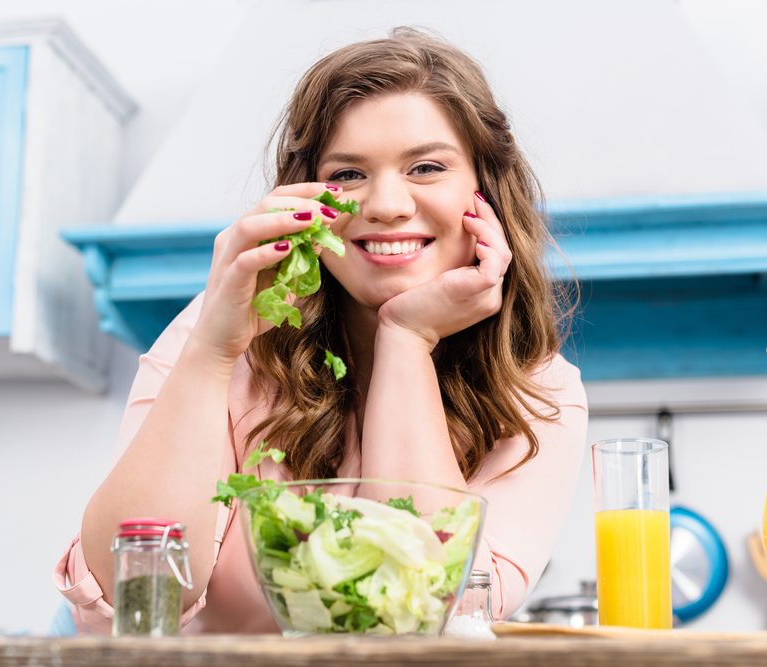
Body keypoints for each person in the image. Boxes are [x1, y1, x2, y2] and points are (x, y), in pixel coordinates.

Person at [54, 27, 588, 634]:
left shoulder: (541, 392)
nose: (385, 203)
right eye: (348, 175)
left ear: (485, 190)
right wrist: (211, 352)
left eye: (427, 166)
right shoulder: (222, 330)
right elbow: (131, 598)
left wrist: (406, 339)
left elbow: (430, 613)